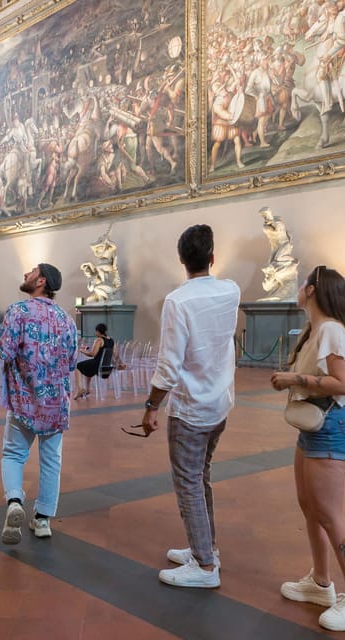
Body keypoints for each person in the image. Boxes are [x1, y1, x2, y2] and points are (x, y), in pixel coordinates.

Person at [270, 265, 345, 632]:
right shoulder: (318, 330)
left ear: (312, 290)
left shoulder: (330, 329)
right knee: (310, 508)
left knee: (330, 514)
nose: (298, 288)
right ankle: (320, 583)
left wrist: (294, 378)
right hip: (314, 427)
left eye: (302, 284)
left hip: (331, 430)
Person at [138, 224, 240, 589]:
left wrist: (151, 406)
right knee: (202, 476)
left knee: (189, 482)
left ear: (182, 261)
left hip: (192, 409)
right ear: (212, 258)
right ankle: (205, 547)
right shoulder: (231, 291)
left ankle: (204, 566)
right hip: (219, 404)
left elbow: (169, 364)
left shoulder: (178, 301)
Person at [0, 263, 77, 544]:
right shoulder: (67, 319)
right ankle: (42, 520)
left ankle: (15, 501)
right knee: (51, 460)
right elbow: (73, 362)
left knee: (14, 453)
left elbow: (4, 351)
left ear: (40, 281)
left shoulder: (19, 311)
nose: (25, 274)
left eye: (31, 272)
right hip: (55, 402)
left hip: (24, 400)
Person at [73, 323, 114, 399]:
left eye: (96, 331)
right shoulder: (111, 340)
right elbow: (116, 354)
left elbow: (92, 354)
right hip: (107, 367)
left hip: (97, 366)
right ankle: (87, 390)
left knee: (77, 366)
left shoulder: (99, 340)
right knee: (87, 367)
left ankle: (80, 389)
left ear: (98, 331)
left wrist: (82, 350)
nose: (95, 333)